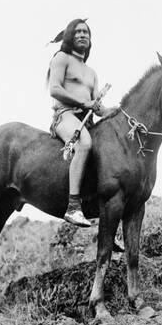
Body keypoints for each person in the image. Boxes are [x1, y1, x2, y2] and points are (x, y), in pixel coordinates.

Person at [47, 19, 113, 227]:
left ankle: (105, 216)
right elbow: (55, 89)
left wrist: (116, 111)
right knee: (84, 144)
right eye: (78, 32)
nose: (83, 35)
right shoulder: (61, 58)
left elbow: (99, 109)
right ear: (69, 37)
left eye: (86, 32)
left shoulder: (92, 73)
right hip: (65, 115)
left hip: (87, 120)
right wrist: (85, 102)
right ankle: (73, 207)